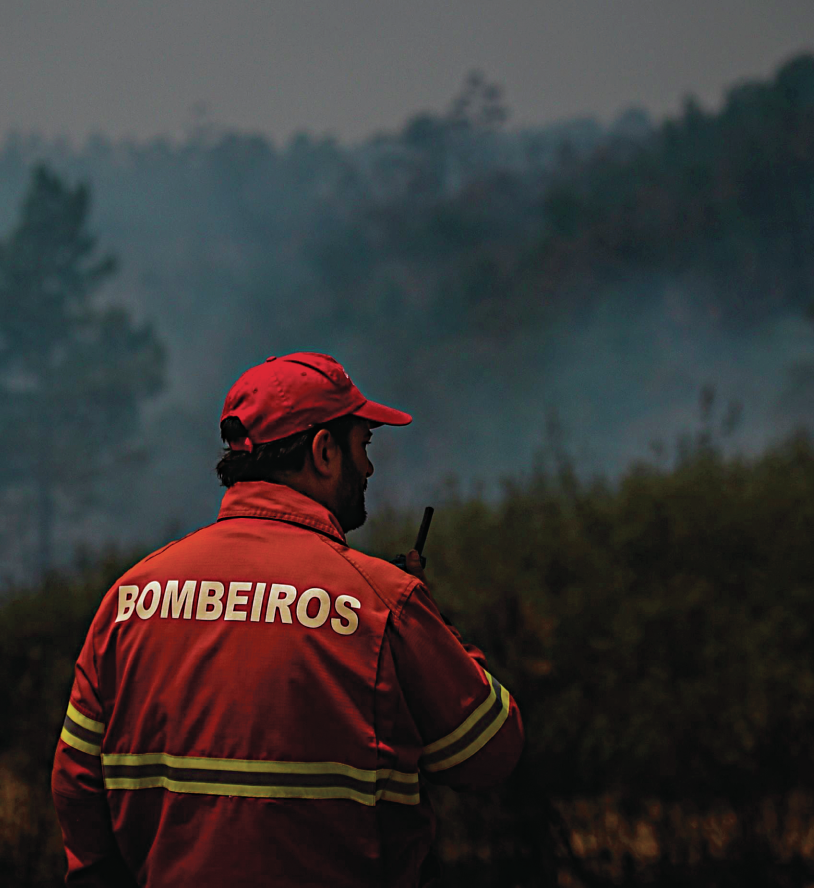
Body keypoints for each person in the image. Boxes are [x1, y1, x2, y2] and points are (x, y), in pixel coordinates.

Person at [52, 352, 523, 886]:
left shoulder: (129, 598)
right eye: (363, 446)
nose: (368, 468)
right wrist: (433, 626)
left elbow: (75, 784)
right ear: (324, 451)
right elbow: (490, 751)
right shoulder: (382, 602)